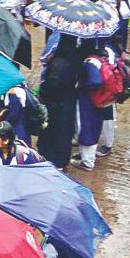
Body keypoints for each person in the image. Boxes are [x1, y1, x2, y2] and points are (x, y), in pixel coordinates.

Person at [38, 35, 81, 167]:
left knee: (54, 133)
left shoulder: (59, 63)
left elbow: (52, 85)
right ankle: (62, 160)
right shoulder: (75, 57)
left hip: (56, 104)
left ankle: (52, 160)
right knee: (64, 133)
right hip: (68, 101)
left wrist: (42, 90)